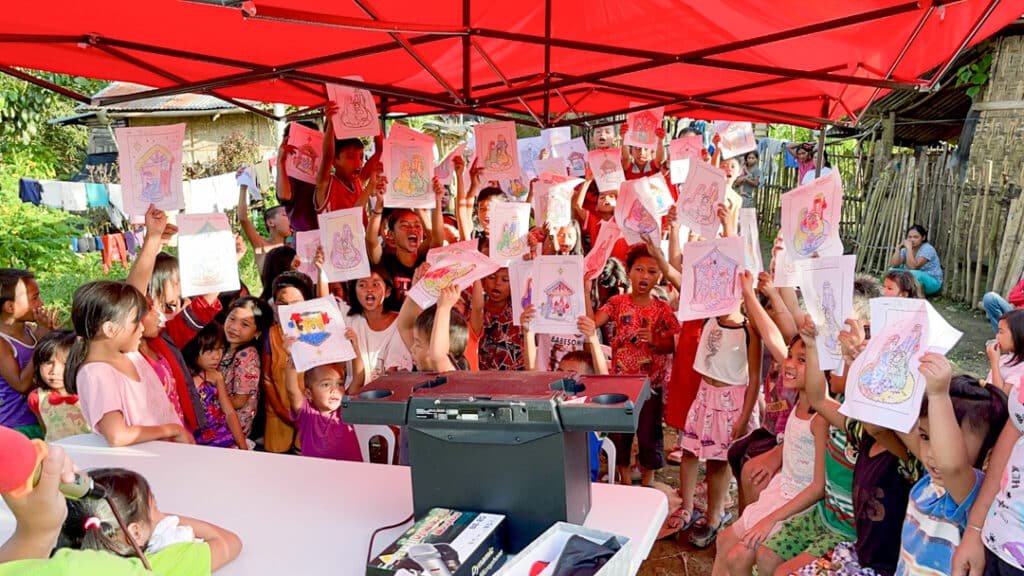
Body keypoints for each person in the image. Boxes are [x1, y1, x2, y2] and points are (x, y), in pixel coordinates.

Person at [712, 275, 827, 576]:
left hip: (797, 506)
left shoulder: (822, 417)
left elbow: (817, 486)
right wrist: (750, 293)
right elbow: (774, 335)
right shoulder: (799, 398)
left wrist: (765, 294)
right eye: (790, 356)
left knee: (738, 556)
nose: (788, 363)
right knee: (725, 540)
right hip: (780, 491)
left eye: (802, 360)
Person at [677, 271, 761, 549]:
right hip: (705, 395)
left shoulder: (749, 330)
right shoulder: (709, 318)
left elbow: (755, 379)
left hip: (731, 402)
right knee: (689, 450)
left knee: (718, 460)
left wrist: (745, 416)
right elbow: (679, 276)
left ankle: (714, 517)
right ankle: (686, 508)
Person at [896, 367, 1007, 575]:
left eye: (947, 439)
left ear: (990, 455)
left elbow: (952, 466)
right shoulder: (931, 479)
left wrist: (938, 394)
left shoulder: (973, 494)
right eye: (925, 437)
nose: (932, 452)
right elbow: (893, 417)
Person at [591, 244, 680, 488]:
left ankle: (648, 483)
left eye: (652, 271)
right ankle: (625, 481)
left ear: (660, 276)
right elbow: (594, 322)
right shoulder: (617, 303)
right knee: (621, 434)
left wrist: (655, 340)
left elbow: (674, 343)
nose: (645, 276)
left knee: (649, 434)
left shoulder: (662, 309)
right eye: (639, 269)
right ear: (629, 271)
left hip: (651, 386)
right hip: (621, 386)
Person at [65, 281, 193, 447]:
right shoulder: (96, 373)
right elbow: (117, 435)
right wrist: (172, 430)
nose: (142, 327)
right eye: (136, 322)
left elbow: (139, 281)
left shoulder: (131, 355)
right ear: (110, 329)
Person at [59, 467, 242, 573]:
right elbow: (230, 542)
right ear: (135, 533)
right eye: (155, 508)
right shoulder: (165, 564)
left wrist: (146, 514)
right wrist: (168, 518)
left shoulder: (55, 563)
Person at [282, 335, 364, 461]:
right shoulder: (306, 412)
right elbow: (292, 390)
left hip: (349, 474)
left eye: (340, 384)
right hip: (316, 475)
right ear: (309, 394)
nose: (334, 390)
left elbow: (358, 380)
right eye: (326, 384)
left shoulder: (345, 407)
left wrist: (355, 348)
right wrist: (292, 357)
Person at [0, 268, 59, 438]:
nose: (40, 303)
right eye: (34, 298)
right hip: (14, 427)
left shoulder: (32, 331)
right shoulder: (3, 343)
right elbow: (21, 385)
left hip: (41, 420)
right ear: (10, 307)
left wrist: (52, 338)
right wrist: (42, 343)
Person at [261, 271, 315, 454]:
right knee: (276, 462)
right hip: (277, 412)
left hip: (309, 413)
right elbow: (267, 377)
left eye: (295, 304)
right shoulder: (271, 334)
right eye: (282, 304)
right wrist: (280, 410)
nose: (288, 310)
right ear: (273, 305)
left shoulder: (316, 334)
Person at [181, 323, 248, 449]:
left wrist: (243, 446)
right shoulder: (179, 377)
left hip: (220, 438)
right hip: (191, 441)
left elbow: (229, 413)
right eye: (210, 350)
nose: (217, 356)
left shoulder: (216, 376)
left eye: (220, 349)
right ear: (193, 348)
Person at [346, 267, 413, 383]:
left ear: (388, 291)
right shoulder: (350, 321)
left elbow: (396, 376)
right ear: (354, 292)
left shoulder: (400, 323)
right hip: (353, 396)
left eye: (375, 284)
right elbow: (324, 308)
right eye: (362, 285)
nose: (369, 289)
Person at [218, 296, 272, 441]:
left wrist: (208, 406)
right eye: (232, 319)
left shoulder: (247, 356)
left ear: (257, 333)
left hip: (231, 429)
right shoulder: (223, 347)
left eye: (245, 324)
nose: (235, 327)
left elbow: (240, 400)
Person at [26, 330, 89, 442]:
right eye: (48, 363)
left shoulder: (90, 394)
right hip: (57, 456)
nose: (54, 371)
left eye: (65, 364)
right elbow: (46, 430)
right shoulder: (37, 398)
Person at [475, 268, 524, 371]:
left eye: (505, 279)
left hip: (515, 381)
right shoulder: (476, 311)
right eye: (491, 277)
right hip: (481, 379)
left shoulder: (520, 311)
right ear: (483, 281)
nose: (497, 283)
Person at [276, 121, 320, 233]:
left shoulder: (320, 171)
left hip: (325, 231)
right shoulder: (288, 175)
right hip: (304, 237)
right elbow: (284, 196)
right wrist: (281, 162)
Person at [237, 181, 292, 272]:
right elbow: (243, 218)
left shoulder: (291, 242)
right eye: (285, 215)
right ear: (270, 222)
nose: (290, 219)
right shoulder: (261, 246)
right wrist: (243, 186)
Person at [889, 224, 943, 296]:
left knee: (913, 273)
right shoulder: (906, 248)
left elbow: (913, 267)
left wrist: (909, 249)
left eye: (916, 237)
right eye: (910, 237)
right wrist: (898, 249)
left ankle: (909, 291)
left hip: (931, 282)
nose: (912, 240)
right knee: (891, 270)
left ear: (923, 237)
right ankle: (904, 290)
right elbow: (894, 264)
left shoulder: (927, 249)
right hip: (912, 278)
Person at [986, 309, 1024, 394]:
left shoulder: (1021, 368)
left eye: (1001, 332)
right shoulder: (1005, 358)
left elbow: (1002, 396)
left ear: (1018, 334)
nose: (997, 336)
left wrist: (994, 363)